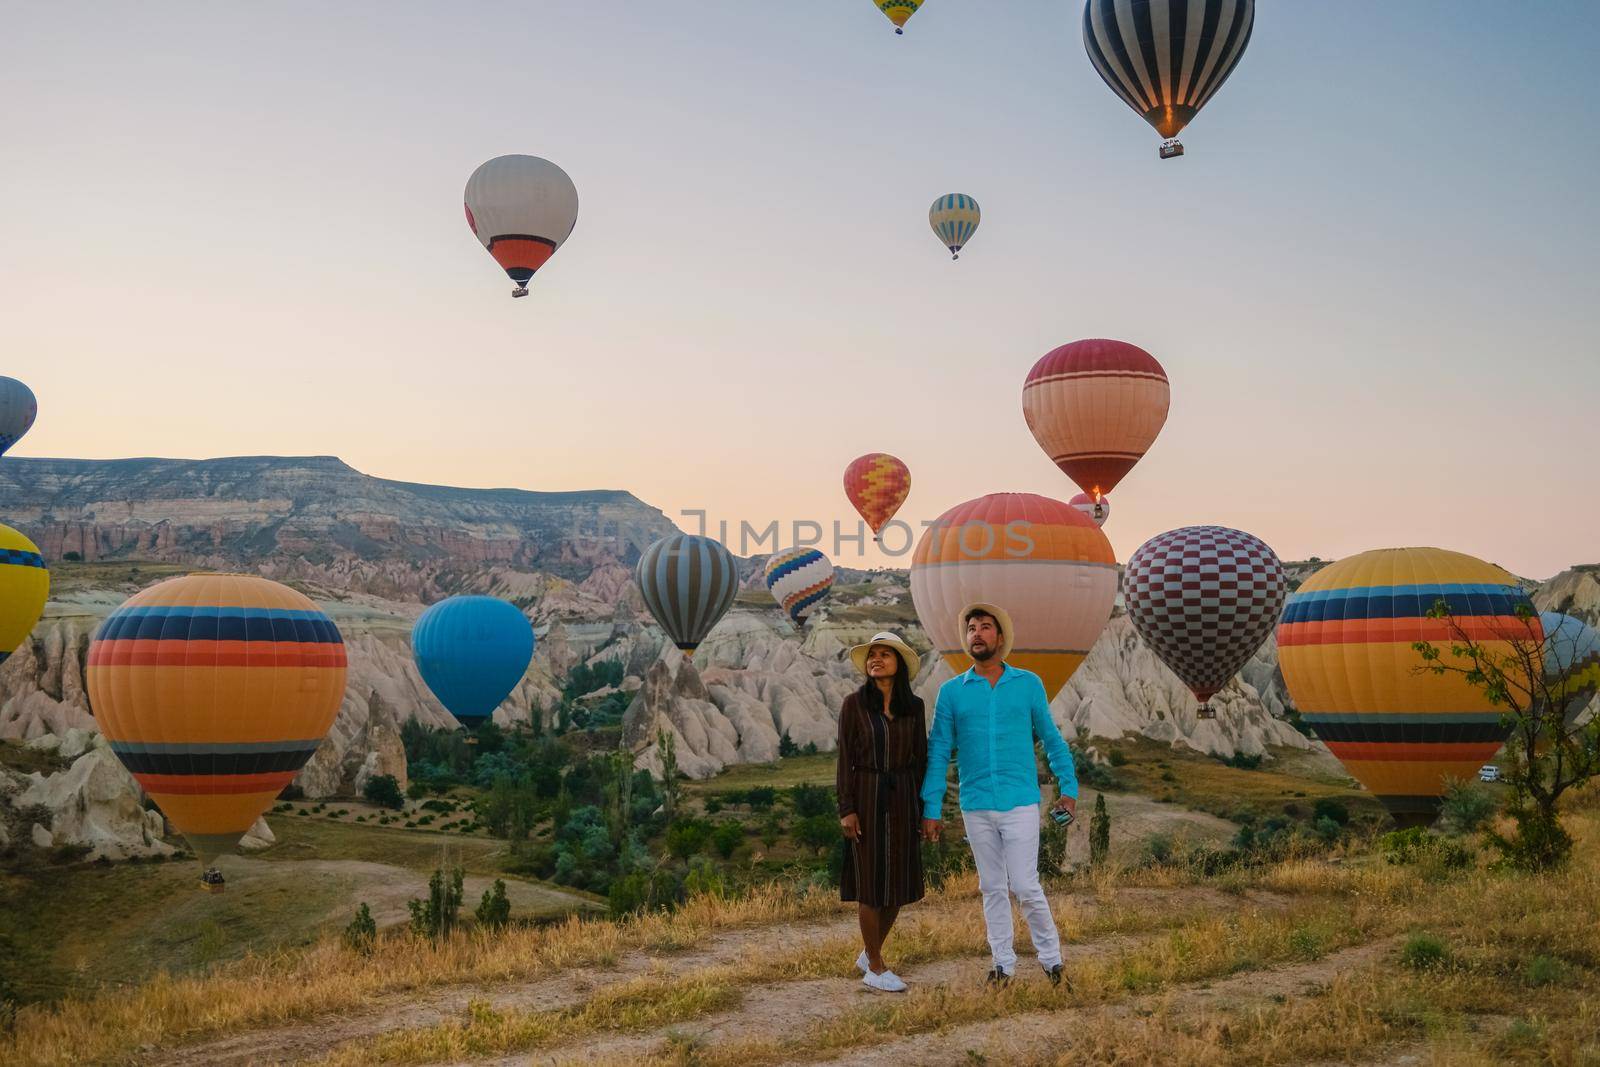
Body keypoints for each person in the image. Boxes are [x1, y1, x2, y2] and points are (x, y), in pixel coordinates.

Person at [920, 603, 1077, 986]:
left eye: (985, 627)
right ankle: (1002, 965)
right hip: (975, 804)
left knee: (1024, 884)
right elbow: (939, 750)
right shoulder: (951, 693)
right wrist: (931, 806)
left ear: (1000, 637)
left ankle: (1052, 960)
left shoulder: (1027, 684)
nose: (976, 633)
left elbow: (1052, 739)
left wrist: (1068, 788)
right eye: (971, 628)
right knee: (991, 886)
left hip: (1020, 800)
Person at [837, 630, 927, 993]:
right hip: (868, 795)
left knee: (899, 885)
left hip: (904, 797)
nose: (875, 659)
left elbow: (920, 759)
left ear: (899, 664)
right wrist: (847, 808)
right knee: (871, 885)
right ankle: (875, 966)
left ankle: (869, 951)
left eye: (884, 654)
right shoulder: (853, 705)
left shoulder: (915, 707)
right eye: (871, 655)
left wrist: (925, 809)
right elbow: (845, 759)